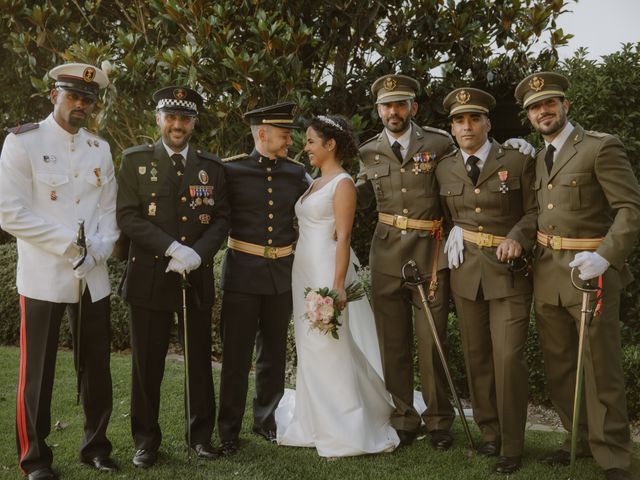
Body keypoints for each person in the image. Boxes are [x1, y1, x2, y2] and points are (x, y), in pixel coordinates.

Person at [515, 72, 640, 480]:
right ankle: (579, 439)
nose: (543, 111)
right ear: (529, 117)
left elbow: (630, 209)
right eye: (535, 108)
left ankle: (615, 456)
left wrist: (606, 256)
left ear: (565, 105)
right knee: (561, 366)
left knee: (600, 367)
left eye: (549, 103)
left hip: (591, 274)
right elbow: (538, 213)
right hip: (549, 275)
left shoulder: (601, 147)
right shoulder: (538, 158)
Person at [0, 62, 118, 479]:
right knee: (37, 371)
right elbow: (10, 213)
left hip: (92, 276)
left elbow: (108, 213)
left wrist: (99, 248)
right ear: (54, 96)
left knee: (96, 368)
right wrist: (71, 245)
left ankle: (96, 446)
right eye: (73, 96)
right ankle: (34, 459)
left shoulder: (99, 149)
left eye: (87, 99)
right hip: (45, 273)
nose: (80, 104)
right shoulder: (23, 142)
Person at [116, 86, 229, 468]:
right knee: (147, 365)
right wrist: (171, 248)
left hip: (194, 276)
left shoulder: (211, 168)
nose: (177, 125)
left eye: (185, 119)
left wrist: (197, 253)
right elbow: (128, 216)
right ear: (159, 120)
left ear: (194, 123)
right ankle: (146, 441)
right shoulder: (134, 162)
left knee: (199, 361)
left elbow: (222, 219)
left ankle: (200, 437)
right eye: (171, 117)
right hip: (150, 276)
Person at [275, 115, 400, 457]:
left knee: (330, 346)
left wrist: (337, 286)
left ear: (330, 145)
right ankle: (315, 419)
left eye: (312, 141)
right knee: (310, 347)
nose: (307, 147)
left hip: (326, 271)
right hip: (303, 270)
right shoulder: (314, 181)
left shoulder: (342, 184)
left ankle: (344, 425)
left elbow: (343, 237)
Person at [436, 88, 536, 474]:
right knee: (477, 357)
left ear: (488, 123)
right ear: (452, 128)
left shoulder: (516, 157)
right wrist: (453, 231)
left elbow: (535, 211)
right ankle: (490, 432)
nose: (467, 126)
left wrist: (518, 237)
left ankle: (512, 444)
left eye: (474, 118)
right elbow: (437, 213)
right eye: (459, 120)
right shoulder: (444, 167)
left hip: (508, 273)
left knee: (508, 357)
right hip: (466, 274)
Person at [356, 74, 457, 450]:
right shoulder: (369, 151)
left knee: (433, 341)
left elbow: (464, 176)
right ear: (378, 110)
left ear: (413, 107)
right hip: (385, 255)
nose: (393, 111)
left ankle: (438, 421)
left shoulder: (439, 142)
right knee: (392, 343)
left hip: (430, 254)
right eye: (386, 105)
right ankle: (402, 417)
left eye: (400, 104)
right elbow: (360, 196)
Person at [217, 102, 309, 455]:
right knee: (237, 357)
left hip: (279, 276)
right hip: (241, 274)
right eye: (284, 134)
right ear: (262, 134)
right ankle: (228, 430)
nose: (290, 140)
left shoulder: (296, 172)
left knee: (272, 354)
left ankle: (266, 419)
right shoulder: (232, 170)